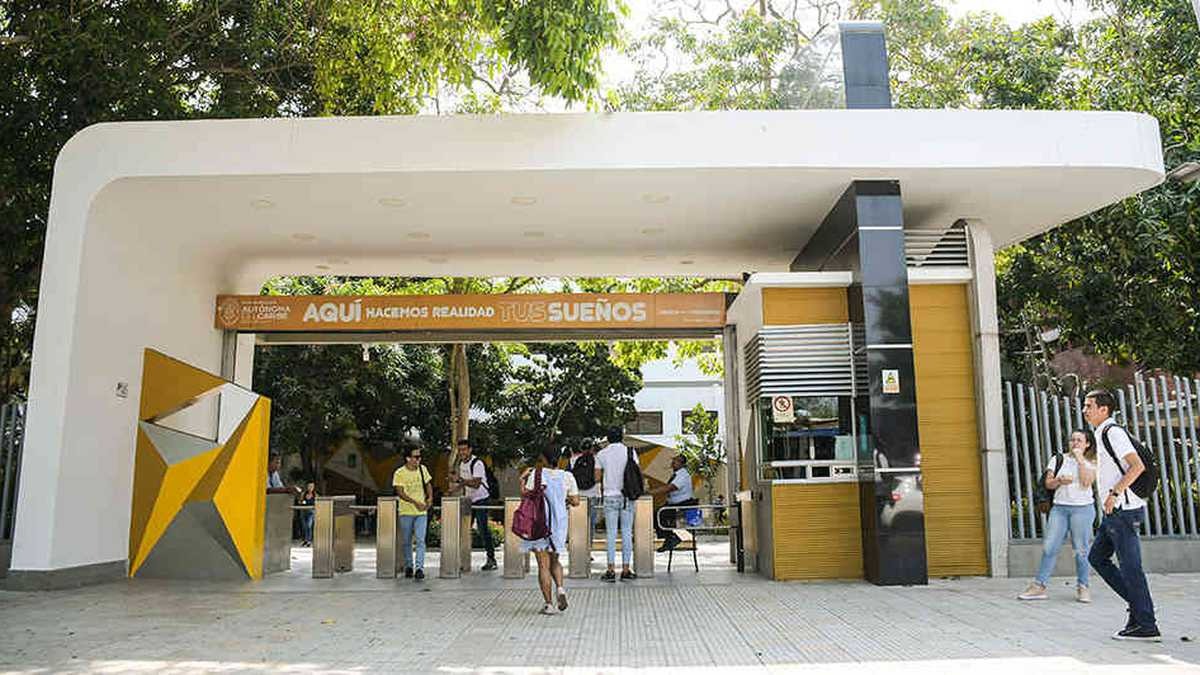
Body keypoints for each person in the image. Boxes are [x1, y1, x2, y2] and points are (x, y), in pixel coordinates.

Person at [1083, 390, 1160, 641]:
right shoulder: (1102, 433)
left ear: (1104, 409)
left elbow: (1137, 466)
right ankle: (1140, 608)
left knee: (1130, 568)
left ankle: (1146, 624)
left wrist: (1115, 493)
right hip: (1113, 512)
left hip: (1123, 511)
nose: (1085, 410)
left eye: (1089, 406)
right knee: (1097, 557)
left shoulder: (1112, 432)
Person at [1018, 429, 1097, 602]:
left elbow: (1086, 481)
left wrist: (1079, 459)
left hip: (1082, 509)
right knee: (1049, 547)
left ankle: (1083, 587)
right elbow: (1048, 483)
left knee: (1081, 550)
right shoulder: (1058, 459)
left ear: (1087, 444)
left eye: (1079, 440)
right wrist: (1059, 481)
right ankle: (1039, 586)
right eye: (1072, 440)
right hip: (1060, 509)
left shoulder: (1091, 461)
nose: (1074, 443)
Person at [520, 446, 580, 615]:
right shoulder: (568, 476)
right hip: (559, 524)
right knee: (555, 561)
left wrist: (522, 480)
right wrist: (561, 498)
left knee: (543, 565)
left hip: (539, 524)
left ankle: (549, 604)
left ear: (543, 459)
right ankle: (560, 588)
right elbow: (576, 501)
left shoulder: (536, 475)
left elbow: (526, 495)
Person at [595, 427, 639, 582]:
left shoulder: (601, 454)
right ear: (622, 437)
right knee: (627, 532)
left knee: (611, 534)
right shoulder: (631, 452)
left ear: (608, 438)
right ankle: (626, 569)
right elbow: (636, 472)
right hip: (627, 496)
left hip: (609, 496)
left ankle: (611, 570)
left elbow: (596, 477)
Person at [449, 439, 498, 571]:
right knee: (464, 528)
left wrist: (459, 481)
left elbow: (476, 484)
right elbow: (465, 483)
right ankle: (462, 560)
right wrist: (454, 489)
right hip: (468, 499)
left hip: (481, 498)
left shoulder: (477, 463)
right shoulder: (461, 464)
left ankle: (491, 558)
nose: (462, 452)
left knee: (482, 528)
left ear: (470, 450)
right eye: (460, 450)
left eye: (464, 449)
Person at [393, 445, 433, 581]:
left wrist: (430, 498)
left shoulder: (423, 469)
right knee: (407, 541)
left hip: (421, 512)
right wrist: (415, 502)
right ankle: (409, 566)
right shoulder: (399, 473)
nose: (419, 459)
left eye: (420, 457)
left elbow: (428, 484)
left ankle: (420, 568)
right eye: (416, 457)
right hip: (406, 511)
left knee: (421, 540)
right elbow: (400, 492)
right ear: (408, 458)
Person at [654, 454, 699, 552]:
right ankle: (669, 538)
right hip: (674, 505)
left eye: (676, 461)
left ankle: (672, 538)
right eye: (673, 460)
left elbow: (670, 487)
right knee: (657, 514)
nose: (673, 463)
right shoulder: (677, 474)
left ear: (682, 464)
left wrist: (651, 492)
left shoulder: (683, 475)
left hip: (682, 506)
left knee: (657, 514)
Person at [568, 441, 600, 542]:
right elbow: (597, 477)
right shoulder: (597, 459)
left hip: (578, 494)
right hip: (593, 494)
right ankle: (588, 547)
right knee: (591, 523)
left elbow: (569, 477)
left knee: (578, 522)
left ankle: (577, 546)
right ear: (592, 448)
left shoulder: (573, 459)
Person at [298, 482, 317, 547]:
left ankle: (309, 540)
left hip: (311, 512)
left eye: (312, 487)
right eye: (309, 486)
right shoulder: (304, 494)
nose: (310, 488)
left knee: (309, 526)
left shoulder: (315, 495)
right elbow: (300, 501)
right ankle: (305, 540)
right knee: (304, 526)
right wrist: (302, 502)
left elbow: (317, 503)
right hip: (304, 511)